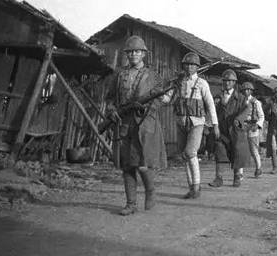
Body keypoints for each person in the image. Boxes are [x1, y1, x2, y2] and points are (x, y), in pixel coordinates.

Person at [106, 35, 167, 215]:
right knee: (127, 165)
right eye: (130, 51)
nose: (133, 54)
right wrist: (112, 111)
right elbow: (110, 98)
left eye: (137, 51)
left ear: (143, 54)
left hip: (145, 124)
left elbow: (160, 100)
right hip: (124, 123)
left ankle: (150, 190)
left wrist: (147, 107)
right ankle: (130, 204)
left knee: (142, 164)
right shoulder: (119, 74)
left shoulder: (153, 76)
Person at [163, 52, 219, 199]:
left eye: (192, 65)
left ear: (197, 67)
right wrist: (158, 93)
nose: (189, 67)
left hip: (197, 123)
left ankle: (197, 186)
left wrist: (215, 124)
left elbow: (210, 104)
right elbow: (166, 98)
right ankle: (191, 187)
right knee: (184, 155)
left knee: (190, 152)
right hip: (181, 122)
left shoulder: (202, 83)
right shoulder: (178, 82)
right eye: (187, 64)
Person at [209, 69, 248, 188]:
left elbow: (246, 110)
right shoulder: (218, 97)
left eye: (230, 81)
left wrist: (239, 119)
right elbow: (212, 111)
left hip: (235, 130)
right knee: (219, 151)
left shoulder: (240, 98)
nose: (227, 83)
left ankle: (236, 177)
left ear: (234, 82)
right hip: (222, 129)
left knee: (237, 152)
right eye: (225, 81)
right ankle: (218, 178)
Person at [234, 82, 265, 178]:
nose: (246, 91)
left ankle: (258, 168)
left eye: (248, 90)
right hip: (242, 127)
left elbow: (261, 116)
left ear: (251, 91)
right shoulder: (239, 101)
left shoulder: (256, 102)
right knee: (240, 150)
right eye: (244, 90)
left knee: (253, 150)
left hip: (252, 127)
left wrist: (258, 125)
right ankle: (240, 173)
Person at [264, 87, 277, 173]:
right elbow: (267, 118)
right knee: (273, 147)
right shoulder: (270, 105)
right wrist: (269, 111)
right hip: (273, 129)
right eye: (275, 93)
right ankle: (275, 167)